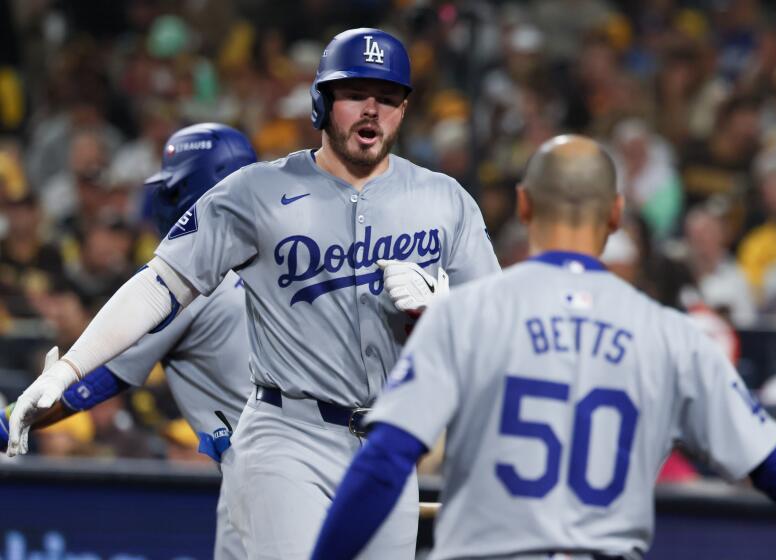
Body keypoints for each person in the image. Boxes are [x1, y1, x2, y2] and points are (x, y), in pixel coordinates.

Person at [7, 28, 500, 559]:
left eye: (387, 98)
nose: (371, 111)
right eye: (355, 93)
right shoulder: (255, 191)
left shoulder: (445, 200)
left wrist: (445, 312)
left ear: (404, 109)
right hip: (290, 435)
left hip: (388, 441)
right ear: (322, 101)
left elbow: (499, 332)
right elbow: (159, 284)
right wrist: (68, 370)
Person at [311, 135, 776, 560]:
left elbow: (385, 462)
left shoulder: (465, 313)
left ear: (523, 204)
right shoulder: (671, 333)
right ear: (615, 213)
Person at [1, 122, 256, 558]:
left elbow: (86, 386)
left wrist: (6, 422)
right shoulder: (283, 261)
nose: (164, 204)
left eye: (174, 191)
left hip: (264, 484)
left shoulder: (192, 279)